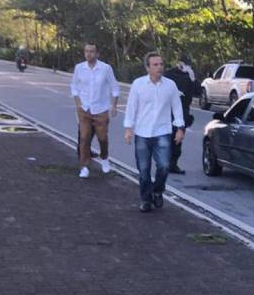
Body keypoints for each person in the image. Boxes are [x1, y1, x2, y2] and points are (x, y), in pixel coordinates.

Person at [124, 52, 185, 212]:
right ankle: (145, 200)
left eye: (161, 64)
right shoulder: (138, 84)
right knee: (143, 169)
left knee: (164, 166)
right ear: (147, 67)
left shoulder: (170, 85)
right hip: (142, 133)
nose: (159, 67)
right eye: (155, 65)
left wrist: (180, 128)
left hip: (162, 132)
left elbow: (177, 107)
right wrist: (128, 129)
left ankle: (158, 191)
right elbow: (131, 108)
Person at [69, 43, 120, 178]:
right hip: (84, 109)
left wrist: (114, 105)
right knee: (84, 138)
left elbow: (115, 87)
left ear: (97, 54)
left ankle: (104, 157)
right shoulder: (79, 68)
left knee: (102, 137)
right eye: (86, 51)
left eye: (92, 51)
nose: (88, 54)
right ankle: (84, 166)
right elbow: (74, 86)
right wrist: (78, 103)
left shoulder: (106, 69)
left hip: (101, 109)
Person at [163, 54, 197, 175]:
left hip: (182, 111)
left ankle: (173, 164)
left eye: (187, 65)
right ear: (179, 63)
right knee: (166, 138)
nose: (185, 67)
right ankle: (164, 163)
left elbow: (197, 93)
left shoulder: (189, 76)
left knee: (178, 140)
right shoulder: (168, 74)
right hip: (167, 111)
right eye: (183, 64)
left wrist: (193, 79)